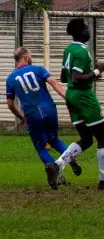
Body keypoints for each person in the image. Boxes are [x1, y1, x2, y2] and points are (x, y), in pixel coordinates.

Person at [55, 18, 104, 190]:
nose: (88, 30)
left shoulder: (68, 50)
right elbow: (76, 78)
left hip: (71, 96)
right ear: (80, 32)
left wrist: (90, 74)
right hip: (84, 97)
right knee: (103, 138)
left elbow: (64, 77)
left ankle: (57, 165)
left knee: (86, 139)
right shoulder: (81, 52)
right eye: (86, 28)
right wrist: (96, 71)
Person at [5, 46, 81, 189]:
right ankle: (70, 158)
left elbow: (10, 104)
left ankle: (53, 169)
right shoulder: (39, 69)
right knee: (54, 139)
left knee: (40, 146)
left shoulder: (10, 79)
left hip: (32, 113)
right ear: (26, 57)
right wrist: (66, 97)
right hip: (49, 109)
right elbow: (53, 81)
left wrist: (22, 117)